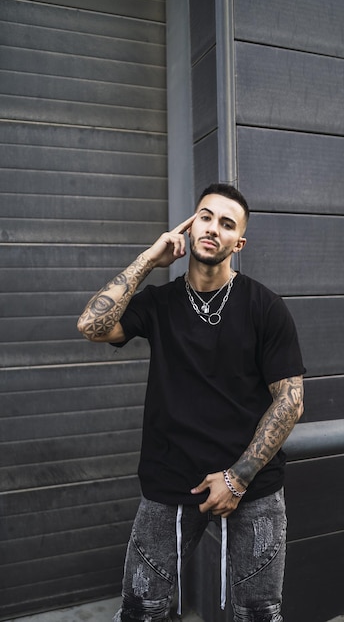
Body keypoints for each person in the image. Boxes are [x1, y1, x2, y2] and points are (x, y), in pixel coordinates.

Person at [77, 183, 305, 622]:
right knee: (142, 610)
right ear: (190, 224)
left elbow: (290, 401)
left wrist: (238, 478)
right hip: (170, 482)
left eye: (226, 224)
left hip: (252, 487)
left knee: (259, 614)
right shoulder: (159, 304)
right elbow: (91, 324)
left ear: (238, 243)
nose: (213, 229)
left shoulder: (265, 307)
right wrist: (150, 258)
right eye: (206, 216)